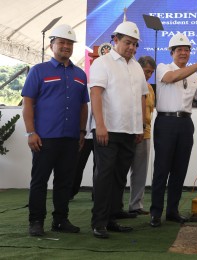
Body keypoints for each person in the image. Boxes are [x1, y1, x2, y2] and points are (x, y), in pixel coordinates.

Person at [21, 24, 88, 236]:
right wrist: (31, 132)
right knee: (40, 181)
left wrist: (81, 132)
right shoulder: (38, 71)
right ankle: (36, 221)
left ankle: (60, 220)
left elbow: (83, 105)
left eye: (70, 43)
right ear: (52, 45)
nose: (66, 46)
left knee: (64, 182)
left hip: (70, 139)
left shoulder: (80, 75)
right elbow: (28, 103)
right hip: (44, 138)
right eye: (62, 42)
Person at [149, 33, 197, 227]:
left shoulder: (195, 75)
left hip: (186, 124)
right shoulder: (164, 67)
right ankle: (155, 212)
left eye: (187, 50)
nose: (183, 53)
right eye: (179, 49)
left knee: (179, 169)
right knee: (162, 169)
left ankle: (172, 211)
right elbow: (171, 78)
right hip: (166, 122)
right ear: (171, 52)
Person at [89, 21, 148, 238]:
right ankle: (99, 223)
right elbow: (95, 94)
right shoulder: (102, 63)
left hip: (130, 131)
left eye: (134, 44)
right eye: (127, 42)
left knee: (119, 177)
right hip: (108, 130)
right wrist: (100, 125)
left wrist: (140, 126)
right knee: (104, 176)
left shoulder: (136, 66)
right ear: (115, 40)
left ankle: (112, 218)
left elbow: (142, 97)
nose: (131, 48)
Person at [128, 56, 156, 216]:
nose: (148, 75)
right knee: (120, 169)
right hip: (129, 131)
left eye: (151, 72)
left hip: (145, 132)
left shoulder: (150, 88)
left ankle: (136, 205)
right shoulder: (130, 84)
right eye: (146, 71)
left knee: (140, 170)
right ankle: (115, 206)